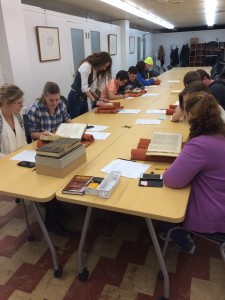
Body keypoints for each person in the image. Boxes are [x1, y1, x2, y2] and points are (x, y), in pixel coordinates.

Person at [161, 92, 225, 253]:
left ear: (190, 116)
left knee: (160, 208)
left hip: (213, 211)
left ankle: (185, 242)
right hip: (220, 198)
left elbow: (171, 180)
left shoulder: (201, 144)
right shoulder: (219, 133)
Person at [28, 82, 73, 236]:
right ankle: (51, 217)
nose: (55, 103)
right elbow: (32, 133)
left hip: (60, 144)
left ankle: (55, 205)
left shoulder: (61, 105)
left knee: (69, 167)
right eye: (51, 100)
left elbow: (67, 120)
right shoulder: (36, 109)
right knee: (51, 175)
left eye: (57, 99)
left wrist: (75, 128)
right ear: (44, 97)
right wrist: (44, 135)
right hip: (44, 147)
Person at [68, 51, 112, 118]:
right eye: (104, 66)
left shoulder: (94, 68)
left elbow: (91, 89)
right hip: (75, 97)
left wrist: (99, 99)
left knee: (85, 118)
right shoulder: (86, 66)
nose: (104, 68)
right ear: (100, 62)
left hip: (83, 98)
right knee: (75, 121)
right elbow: (84, 88)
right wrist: (95, 101)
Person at [0, 84, 27, 158]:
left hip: (20, 160)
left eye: (22, 102)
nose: (22, 106)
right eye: (19, 103)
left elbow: (24, 139)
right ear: (7, 103)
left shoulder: (18, 116)